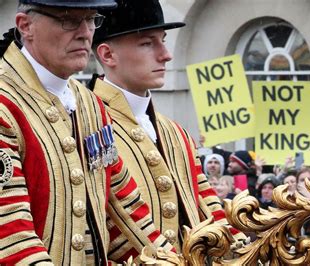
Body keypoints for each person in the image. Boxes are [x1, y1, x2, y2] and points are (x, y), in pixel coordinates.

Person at [0, 0, 174, 264]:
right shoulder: (5, 103)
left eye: (92, 19)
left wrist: (174, 260)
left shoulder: (90, 105)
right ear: (26, 26)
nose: (85, 32)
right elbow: (11, 235)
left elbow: (125, 216)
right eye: (69, 20)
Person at [89, 0, 245, 251]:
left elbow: (209, 207)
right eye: (147, 43)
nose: (166, 54)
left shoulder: (176, 133)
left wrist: (243, 249)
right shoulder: (88, 128)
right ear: (107, 54)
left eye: (162, 40)